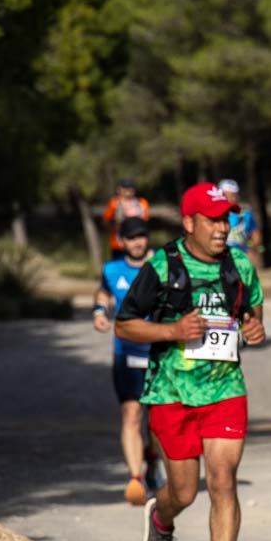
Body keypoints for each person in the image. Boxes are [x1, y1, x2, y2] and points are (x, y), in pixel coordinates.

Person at [115, 182, 266, 541]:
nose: (222, 228)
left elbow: (250, 313)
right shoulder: (162, 267)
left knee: (222, 480)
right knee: (183, 491)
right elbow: (126, 325)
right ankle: (162, 518)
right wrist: (171, 331)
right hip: (170, 393)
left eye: (226, 219)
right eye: (213, 219)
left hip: (224, 389)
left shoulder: (239, 265)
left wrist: (254, 329)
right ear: (189, 222)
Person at [94, 217, 160, 506]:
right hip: (126, 352)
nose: (137, 242)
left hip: (159, 352)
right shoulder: (112, 269)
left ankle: (154, 461)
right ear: (121, 241)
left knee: (157, 422)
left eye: (142, 236)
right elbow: (104, 292)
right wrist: (99, 310)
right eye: (131, 238)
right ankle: (136, 477)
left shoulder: (162, 265)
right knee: (131, 416)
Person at [218, 179, 263, 266]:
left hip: (241, 256)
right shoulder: (212, 214)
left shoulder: (245, 214)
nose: (232, 198)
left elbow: (255, 234)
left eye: (234, 194)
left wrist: (252, 249)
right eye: (227, 195)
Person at [102, 180, 150, 258]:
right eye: (125, 188)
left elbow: (145, 221)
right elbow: (106, 221)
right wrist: (116, 227)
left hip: (138, 244)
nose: (128, 191)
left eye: (130, 188)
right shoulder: (114, 203)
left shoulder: (142, 203)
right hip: (118, 244)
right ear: (119, 190)